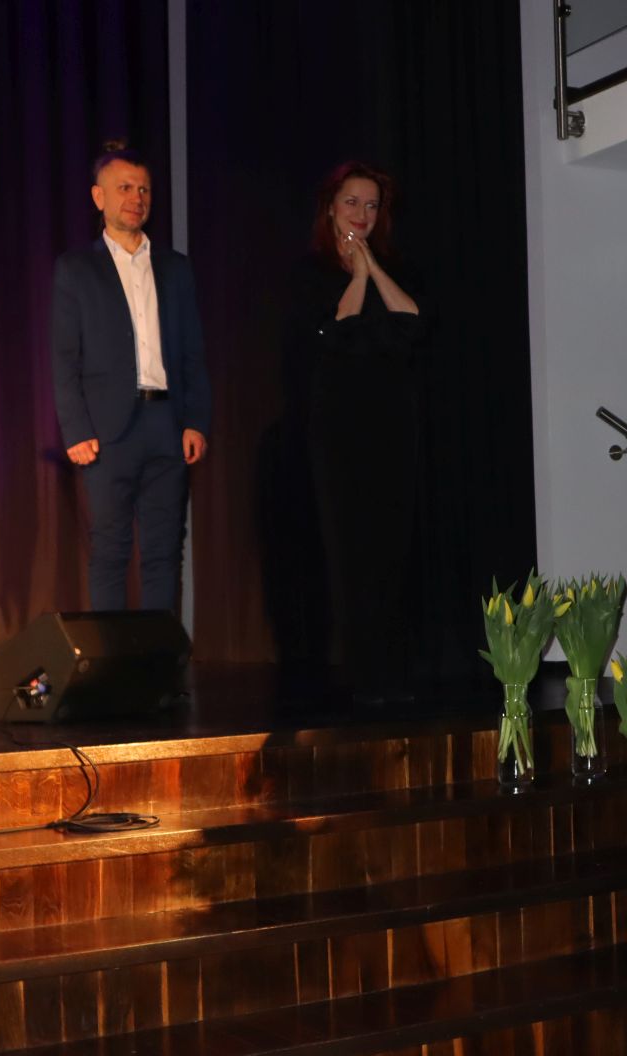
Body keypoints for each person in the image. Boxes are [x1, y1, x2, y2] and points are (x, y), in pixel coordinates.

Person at [280, 161, 426, 702]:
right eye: (351, 203)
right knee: (348, 551)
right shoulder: (312, 272)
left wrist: (373, 268)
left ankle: (391, 672)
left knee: (392, 549)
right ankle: (356, 673)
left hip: (392, 427)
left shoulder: (397, 268)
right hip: (339, 430)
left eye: (371, 205)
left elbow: (414, 321)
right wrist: (358, 276)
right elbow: (334, 332)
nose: (362, 214)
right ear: (330, 208)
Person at [52, 141, 212, 612]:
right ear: (98, 196)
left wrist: (196, 420)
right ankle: (111, 656)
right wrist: (76, 429)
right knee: (111, 549)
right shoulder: (76, 270)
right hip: (107, 430)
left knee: (164, 551)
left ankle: (158, 656)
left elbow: (192, 351)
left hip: (166, 422)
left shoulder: (174, 267)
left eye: (143, 189)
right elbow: (64, 357)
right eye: (124, 188)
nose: (136, 198)